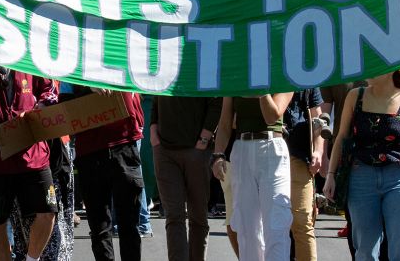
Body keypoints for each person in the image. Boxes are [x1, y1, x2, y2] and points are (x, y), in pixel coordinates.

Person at [322, 71, 400, 261]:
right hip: (361, 177)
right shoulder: (356, 96)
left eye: (373, 64)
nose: (367, 69)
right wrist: (331, 174)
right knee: (366, 250)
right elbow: (341, 137)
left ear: (390, 68)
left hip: (399, 178)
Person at [0, 61, 59, 261]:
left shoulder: (29, 56)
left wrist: (40, 107)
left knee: (48, 212)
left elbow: (50, 92)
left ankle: (32, 259)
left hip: (33, 154)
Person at [211, 90, 293, 261]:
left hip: (272, 148)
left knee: (276, 223)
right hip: (242, 148)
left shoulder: (281, 71)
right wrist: (218, 155)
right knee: (246, 228)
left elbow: (272, 116)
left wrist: (261, 89)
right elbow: (225, 122)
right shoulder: (238, 74)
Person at [70, 87, 146, 261]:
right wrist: (87, 87)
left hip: (125, 145)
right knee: (100, 228)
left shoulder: (124, 59)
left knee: (129, 225)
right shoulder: (75, 63)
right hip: (90, 150)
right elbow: (63, 101)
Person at [149, 93, 220, 261]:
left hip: (197, 151)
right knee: (174, 215)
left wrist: (203, 140)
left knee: (198, 216)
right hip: (165, 151)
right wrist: (153, 132)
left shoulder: (203, 66)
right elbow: (155, 95)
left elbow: (216, 102)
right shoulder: (164, 66)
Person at [282, 89, 325, 261]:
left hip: (299, 158)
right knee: (270, 224)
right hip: (268, 156)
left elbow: (318, 119)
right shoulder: (268, 71)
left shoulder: (308, 79)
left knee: (302, 223)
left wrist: (319, 151)